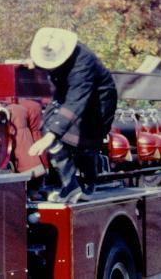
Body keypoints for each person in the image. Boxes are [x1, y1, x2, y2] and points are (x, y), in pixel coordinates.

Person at [27, 28, 118, 203]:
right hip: (68, 94)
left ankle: (87, 184)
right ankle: (70, 185)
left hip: (97, 103)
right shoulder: (62, 53)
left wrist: (51, 136)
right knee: (49, 126)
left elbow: (75, 102)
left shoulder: (83, 63)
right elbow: (54, 61)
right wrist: (36, 62)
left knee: (84, 143)